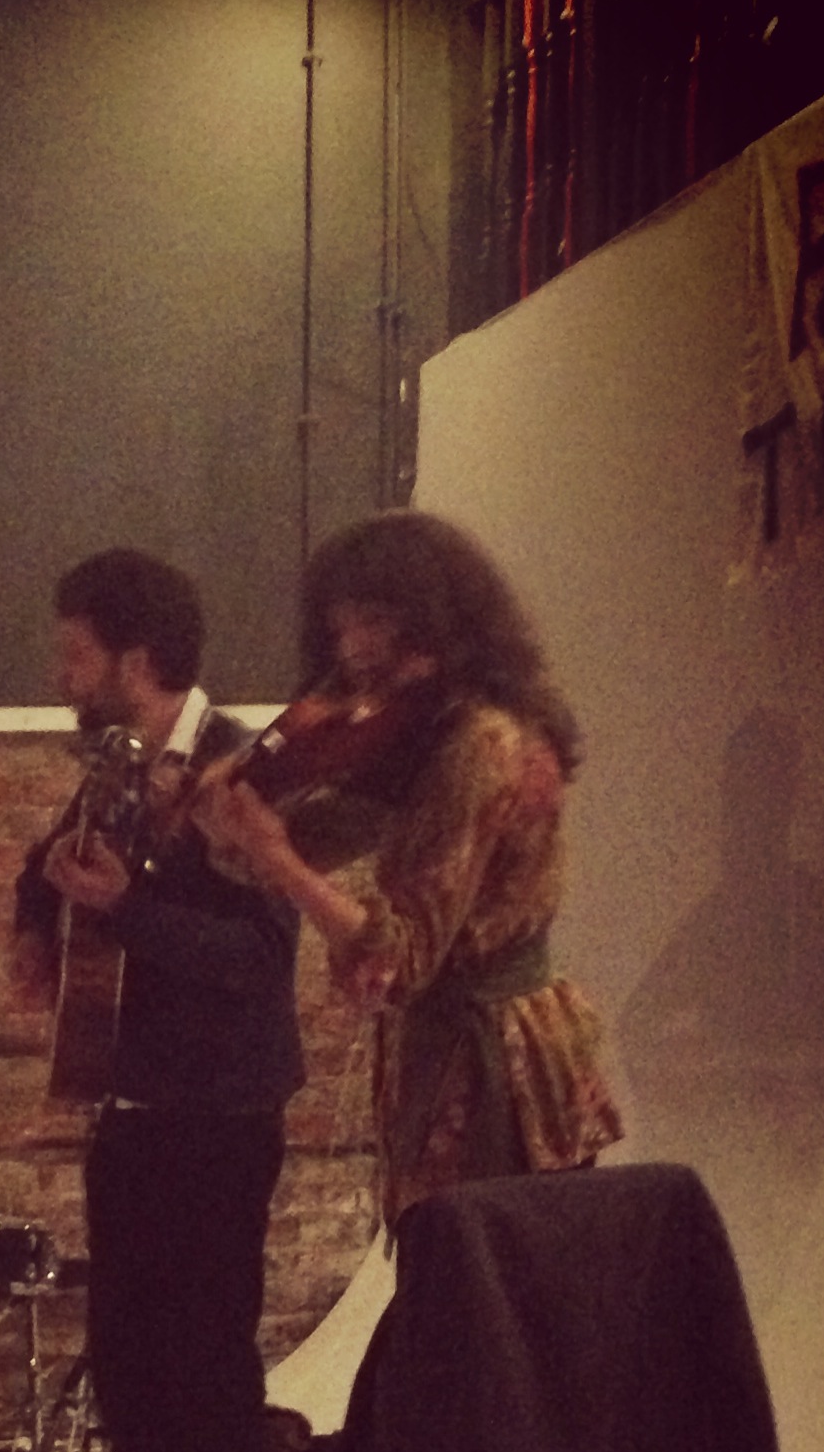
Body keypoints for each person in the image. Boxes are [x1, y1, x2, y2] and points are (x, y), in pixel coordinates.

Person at [9, 549, 304, 1452]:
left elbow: (257, 962)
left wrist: (126, 909)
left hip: (218, 1116)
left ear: (135, 659)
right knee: (129, 1363)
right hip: (133, 1108)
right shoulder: (117, 769)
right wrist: (35, 926)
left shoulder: (241, 774)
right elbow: (43, 867)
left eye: (74, 650)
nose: (59, 670)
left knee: (205, 1370)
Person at [192, 510, 623, 1229]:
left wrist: (273, 854)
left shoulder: (483, 744)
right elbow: (303, 846)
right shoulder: (422, 735)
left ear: (435, 620)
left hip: (497, 1070)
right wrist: (232, 825)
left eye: (374, 623)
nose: (352, 648)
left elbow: (401, 953)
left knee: (479, 1284)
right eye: (341, 627)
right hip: (457, 1047)